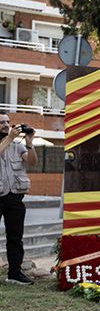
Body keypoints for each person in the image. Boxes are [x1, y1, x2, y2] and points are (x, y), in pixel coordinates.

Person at [0, 114, 35, 284]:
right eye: (2, 122)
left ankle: (14, 273)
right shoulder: (9, 140)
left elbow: (33, 162)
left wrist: (29, 143)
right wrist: (9, 138)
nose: (6, 125)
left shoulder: (16, 145)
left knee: (15, 237)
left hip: (14, 197)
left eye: (7, 122)